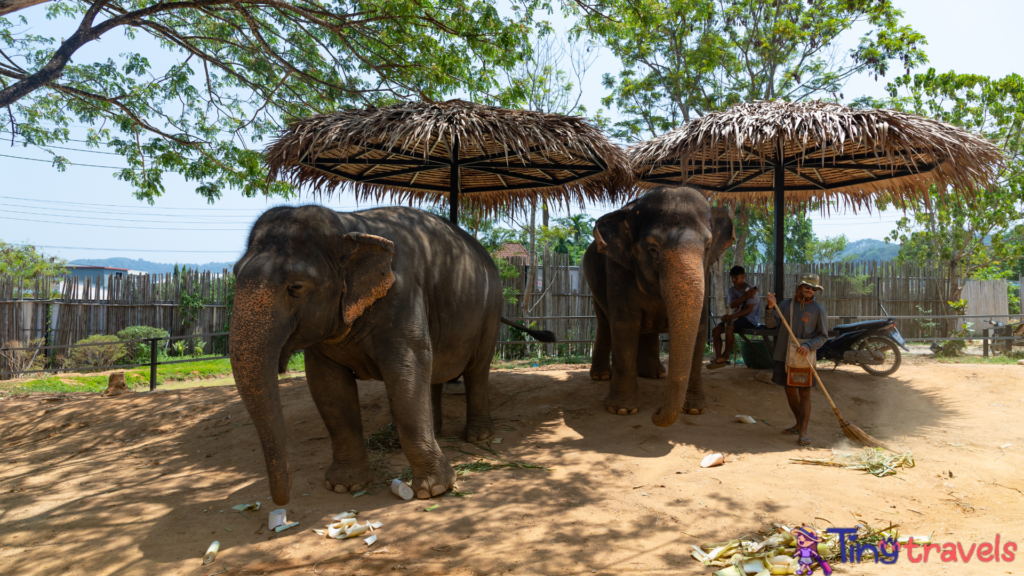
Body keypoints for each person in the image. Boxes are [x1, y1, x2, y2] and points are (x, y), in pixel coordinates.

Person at [765, 274, 828, 446]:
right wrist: (770, 307)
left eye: (813, 288)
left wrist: (808, 345)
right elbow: (770, 324)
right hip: (783, 355)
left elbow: (823, 336)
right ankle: (798, 423)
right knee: (790, 390)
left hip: (803, 357)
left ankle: (804, 431)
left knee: (804, 393)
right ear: (799, 287)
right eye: (807, 287)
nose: (810, 290)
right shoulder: (784, 305)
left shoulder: (818, 310)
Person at [708, 266, 760, 369]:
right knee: (715, 331)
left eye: (736, 278)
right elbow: (731, 305)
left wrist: (731, 316)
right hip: (736, 318)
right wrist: (744, 297)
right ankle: (719, 357)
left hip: (750, 319)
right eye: (732, 277)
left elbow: (748, 310)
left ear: (743, 276)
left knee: (729, 326)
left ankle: (726, 356)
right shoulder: (731, 289)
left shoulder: (751, 290)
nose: (733, 280)